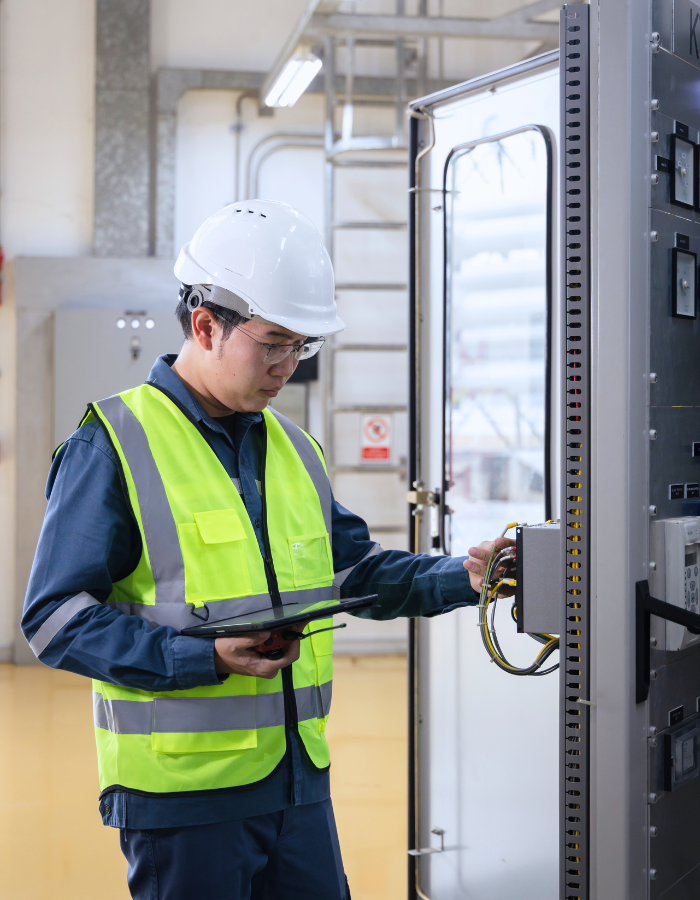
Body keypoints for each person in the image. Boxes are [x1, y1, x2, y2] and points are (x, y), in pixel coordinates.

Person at [22, 200, 511, 900]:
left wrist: (464, 576)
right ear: (204, 326)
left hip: (296, 783)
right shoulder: (115, 443)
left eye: (302, 346)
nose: (289, 365)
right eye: (275, 342)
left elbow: (357, 574)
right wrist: (205, 656)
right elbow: (54, 619)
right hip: (184, 799)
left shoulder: (294, 450)